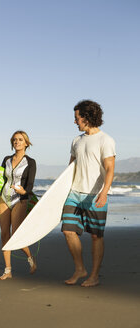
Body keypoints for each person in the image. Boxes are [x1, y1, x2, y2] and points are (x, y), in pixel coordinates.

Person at [61, 100, 116, 287]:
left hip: (95, 194)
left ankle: (94, 275)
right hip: (74, 193)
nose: (75, 122)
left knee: (95, 236)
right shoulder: (76, 140)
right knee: (68, 230)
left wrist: (104, 192)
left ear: (87, 117)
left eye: (77, 118)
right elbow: (70, 168)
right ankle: (80, 269)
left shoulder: (105, 140)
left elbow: (110, 169)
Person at [0, 130, 37, 280]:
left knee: (16, 235)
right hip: (4, 198)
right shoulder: (6, 159)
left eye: (20, 140)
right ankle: (8, 270)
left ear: (26, 143)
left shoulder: (30, 162)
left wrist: (23, 191)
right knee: (4, 234)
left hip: (20, 199)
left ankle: (30, 258)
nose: (17, 142)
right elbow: (0, 179)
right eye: (14, 140)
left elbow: (30, 185)